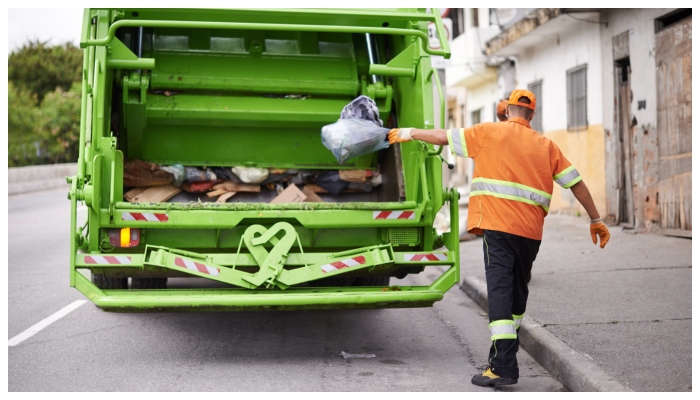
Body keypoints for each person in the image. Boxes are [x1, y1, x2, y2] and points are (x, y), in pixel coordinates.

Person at [388, 89, 610, 387]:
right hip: (530, 233)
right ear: (532, 114)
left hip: (497, 227)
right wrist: (596, 219)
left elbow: (443, 137)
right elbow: (576, 183)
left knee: (500, 292)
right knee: (518, 291)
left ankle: (503, 366)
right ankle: (504, 352)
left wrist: (408, 132)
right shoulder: (546, 145)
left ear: (506, 111)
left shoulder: (487, 132)